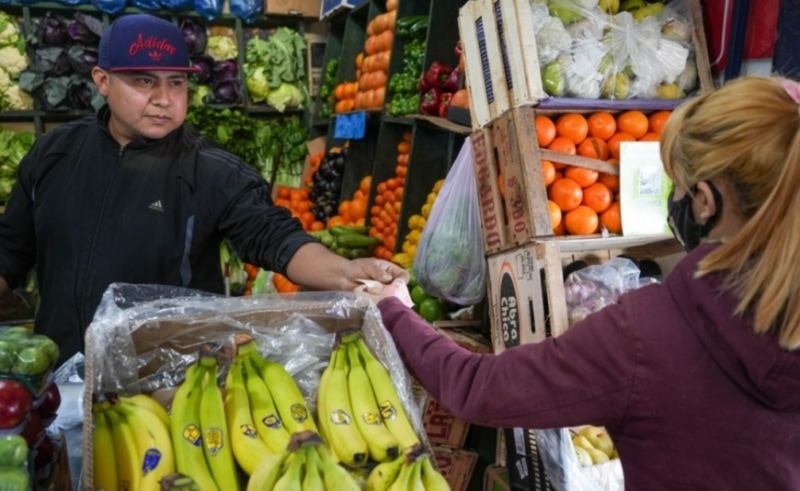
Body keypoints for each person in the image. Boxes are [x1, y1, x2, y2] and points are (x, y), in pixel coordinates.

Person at [358, 75, 800, 490]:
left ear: (705, 201)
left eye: (678, 185)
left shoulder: (648, 335)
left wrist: (394, 310)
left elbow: (479, 388)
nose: (675, 199)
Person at [0, 13, 406, 366]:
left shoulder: (212, 170)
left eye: (176, 83)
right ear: (102, 81)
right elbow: (12, 248)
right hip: (58, 372)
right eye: (144, 81)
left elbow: (274, 236)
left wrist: (345, 272)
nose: (164, 99)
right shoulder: (54, 153)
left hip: (166, 378)